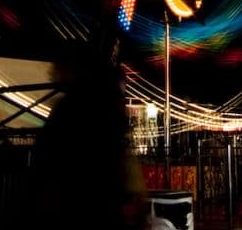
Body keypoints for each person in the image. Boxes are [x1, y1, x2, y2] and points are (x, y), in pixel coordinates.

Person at [20, 45, 150, 229]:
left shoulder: (71, 108)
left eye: (58, 68)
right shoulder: (104, 108)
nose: (52, 72)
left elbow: (50, 157)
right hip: (99, 200)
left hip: (78, 201)